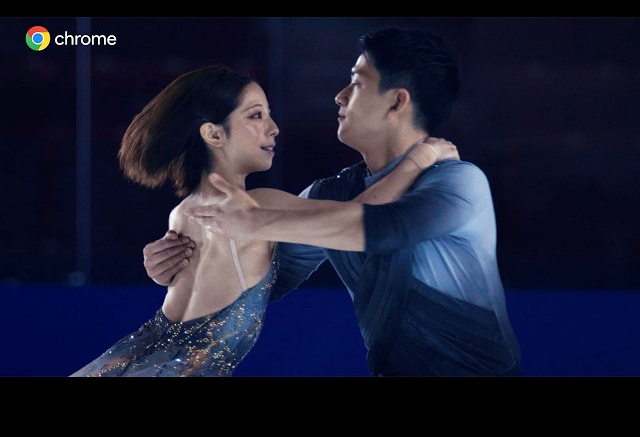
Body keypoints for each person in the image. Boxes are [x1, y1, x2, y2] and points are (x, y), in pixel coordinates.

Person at [144, 27, 522, 377]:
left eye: (356, 83)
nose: (339, 96)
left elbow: (386, 227)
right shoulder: (330, 195)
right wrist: (183, 265)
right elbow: (261, 281)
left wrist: (254, 222)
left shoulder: (459, 182)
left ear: (397, 102)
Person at [71, 63, 459, 377]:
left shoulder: (185, 210)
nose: (273, 128)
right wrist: (421, 158)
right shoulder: (256, 207)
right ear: (213, 135)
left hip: (127, 361)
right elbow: (361, 217)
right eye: (256, 116)